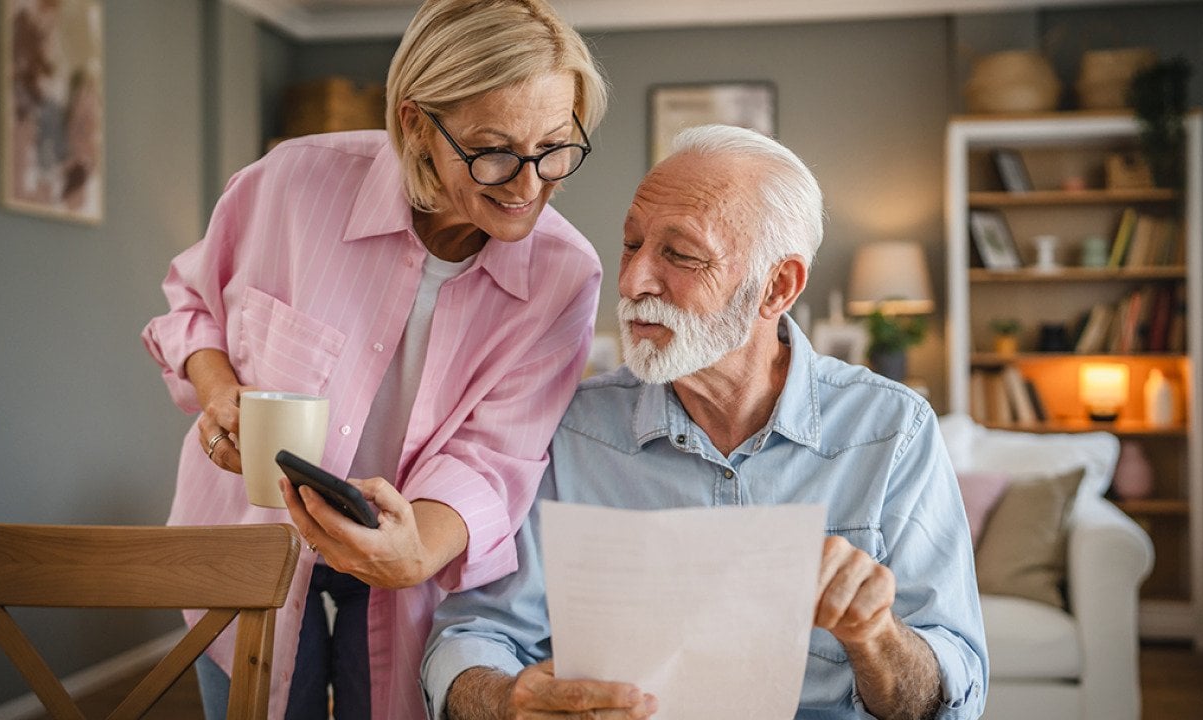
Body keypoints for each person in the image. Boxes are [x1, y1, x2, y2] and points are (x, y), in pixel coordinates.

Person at [421, 125, 988, 720]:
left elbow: (949, 694)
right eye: (631, 244)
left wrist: (874, 635)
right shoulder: (569, 429)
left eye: (680, 255)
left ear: (777, 286)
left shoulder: (892, 431)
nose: (633, 282)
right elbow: (468, 639)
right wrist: (507, 700)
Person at [140, 1, 607, 717]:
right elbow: (194, 307)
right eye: (494, 150)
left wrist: (416, 550)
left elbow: (495, 459)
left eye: (554, 147)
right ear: (418, 123)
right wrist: (218, 390)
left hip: (406, 565)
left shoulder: (564, 277)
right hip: (245, 542)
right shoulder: (290, 186)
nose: (528, 187)